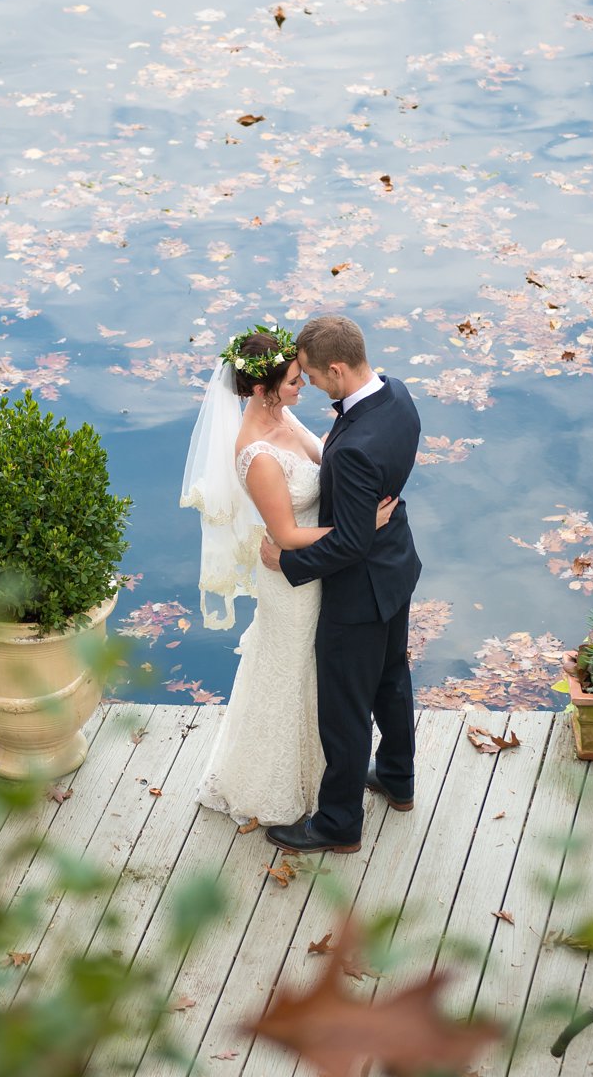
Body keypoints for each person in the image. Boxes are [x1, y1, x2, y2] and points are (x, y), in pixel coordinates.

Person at [180, 323, 396, 828]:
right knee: (292, 675)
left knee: (319, 678)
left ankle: (322, 771)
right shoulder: (255, 453)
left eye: (304, 376)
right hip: (293, 582)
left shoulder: (287, 419)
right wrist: (361, 525)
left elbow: (326, 463)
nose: (305, 387)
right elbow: (286, 535)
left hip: (324, 568)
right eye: (296, 380)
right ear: (261, 388)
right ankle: (274, 784)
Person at [259, 313, 422, 855]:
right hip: (397, 569)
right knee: (392, 680)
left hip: (358, 593)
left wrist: (288, 562)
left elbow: (350, 544)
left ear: (336, 368)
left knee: (345, 709)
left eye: (311, 373)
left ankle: (337, 823)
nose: (308, 383)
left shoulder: (352, 449)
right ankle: (398, 778)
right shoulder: (397, 396)